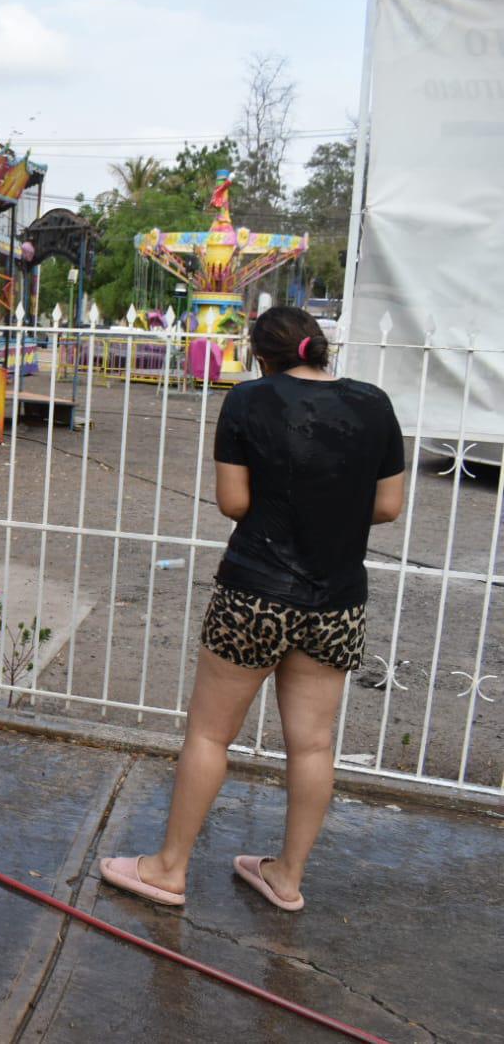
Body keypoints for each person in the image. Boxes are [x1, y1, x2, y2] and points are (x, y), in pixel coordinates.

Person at [100, 306, 405, 912]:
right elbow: (389, 506)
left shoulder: (247, 401)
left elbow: (234, 501)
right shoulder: (375, 404)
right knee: (314, 746)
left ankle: (168, 869)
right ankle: (286, 878)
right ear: (318, 349)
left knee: (211, 734)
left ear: (260, 353)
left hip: (254, 592)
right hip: (336, 599)